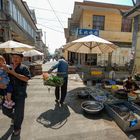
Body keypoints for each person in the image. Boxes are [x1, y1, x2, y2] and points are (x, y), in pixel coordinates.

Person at [2, 52, 31, 137]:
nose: (15, 58)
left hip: (20, 94)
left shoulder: (24, 68)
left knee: (19, 113)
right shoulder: (7, 67)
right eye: (13, 57)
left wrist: (12, 73)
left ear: (21, 59)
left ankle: (17, 127)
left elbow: (26, 79)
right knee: (5, 110)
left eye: (17, 57)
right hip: (8, 94)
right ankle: (14, 117)